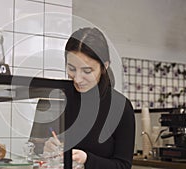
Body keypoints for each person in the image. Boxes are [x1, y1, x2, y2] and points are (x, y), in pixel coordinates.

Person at [30, 27, 135, 169]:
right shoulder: (53, 100)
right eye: (72, 69)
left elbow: (123, 165)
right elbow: (32, 150)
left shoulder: (120, 107)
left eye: (87, 71)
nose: (78, 79)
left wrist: (87, 159)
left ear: (104, 66)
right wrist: (43, 149)